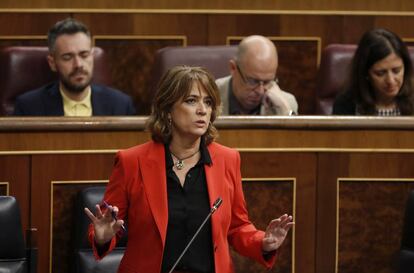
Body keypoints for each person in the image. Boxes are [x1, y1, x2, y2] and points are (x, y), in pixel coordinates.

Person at [84, 65, 294, 273]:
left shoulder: (227, 160)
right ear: (167, 110)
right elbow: (106, 225)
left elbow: (238, 227)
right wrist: (102, 237)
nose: (202, 109)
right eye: (191, 101)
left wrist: (263, 243)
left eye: (208, 102)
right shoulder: (131, 161)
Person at [13, 18, 136, 116]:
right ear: (52, 63)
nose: (78, 65)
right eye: (67, 57)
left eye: (84, 55)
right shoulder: (29, 107)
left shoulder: (121, 105)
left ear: (92, 56)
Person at [333, 28, 414, 115]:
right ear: (365, 73)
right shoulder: (347, 102)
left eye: (396, 71)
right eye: (380, 73)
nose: (390, 80)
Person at [215, 35, 298, 115]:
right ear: (233, 68)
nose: (260, 91)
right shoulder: (209, 96)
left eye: (267, 82)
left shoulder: (287, 103)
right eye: (253, 81)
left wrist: (286, 113)